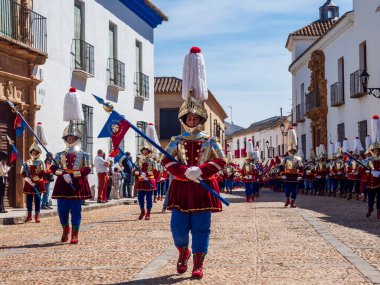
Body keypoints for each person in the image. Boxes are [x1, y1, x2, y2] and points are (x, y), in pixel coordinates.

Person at [161, 47, 226, 279]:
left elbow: (222, 160)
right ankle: (183, 251)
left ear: (201, 119)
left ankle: (198, 263)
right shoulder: (175, 140)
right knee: (178, 228)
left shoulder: (210, 140)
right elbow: (165, 160)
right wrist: (182, 172)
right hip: (180, 188)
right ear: (183, 119)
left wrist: (201, 169)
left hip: (202, 188)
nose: (191, 120)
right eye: (188, 117)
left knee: (201, 229)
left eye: (195, 117)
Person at [51, 87, 92, 244]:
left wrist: (74, 174)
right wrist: (62, 173)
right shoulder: (59, 154)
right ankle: (65, 229)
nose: (70, 139)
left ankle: (75, 233)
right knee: (61, 210)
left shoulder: (84, 154)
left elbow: (87, 169)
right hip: (62, 184)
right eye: (68, 137)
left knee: (75, 211)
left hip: (76, 184)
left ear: (77, 137)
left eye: (72, 137)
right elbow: (53, 168)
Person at [22, 143, 46, 223]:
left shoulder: (41, 161)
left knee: (37, 199)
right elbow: (23, 172)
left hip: (38, 182)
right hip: (29, 182)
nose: (34, 154)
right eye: (32, 153)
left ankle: (37, 215)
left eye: (35, 153)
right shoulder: (27, 162)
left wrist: (35, 179)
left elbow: (43, 172)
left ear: (38, 153)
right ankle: (29, 215)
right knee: (28, 199)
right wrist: (28, 179)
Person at [281, 127, 303, 208]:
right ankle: (287, 200)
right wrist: (282, 174)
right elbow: (281, 167)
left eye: (293, 151)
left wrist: (300, 175)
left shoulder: (298, 159)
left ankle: (293, 202)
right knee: (287, 190)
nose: (292, 152)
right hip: (287, 176)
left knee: (294, 191)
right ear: (289, 151)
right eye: (291, 151)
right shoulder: (285, 158)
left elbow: (301, 168)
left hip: (295, 177)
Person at [135, 142, 157, 220]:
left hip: (149, 181)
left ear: (149, 151)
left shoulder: (152, 161)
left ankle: (148, 213)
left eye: (146, 150)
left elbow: (155, 171)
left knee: (149, 198)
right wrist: (139, 173)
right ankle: (142, 211)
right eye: (143, 150)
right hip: (141, 181)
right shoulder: (138, 160)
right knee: (140, 198)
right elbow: (134, 171)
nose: (144, 152)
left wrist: (146, 173)